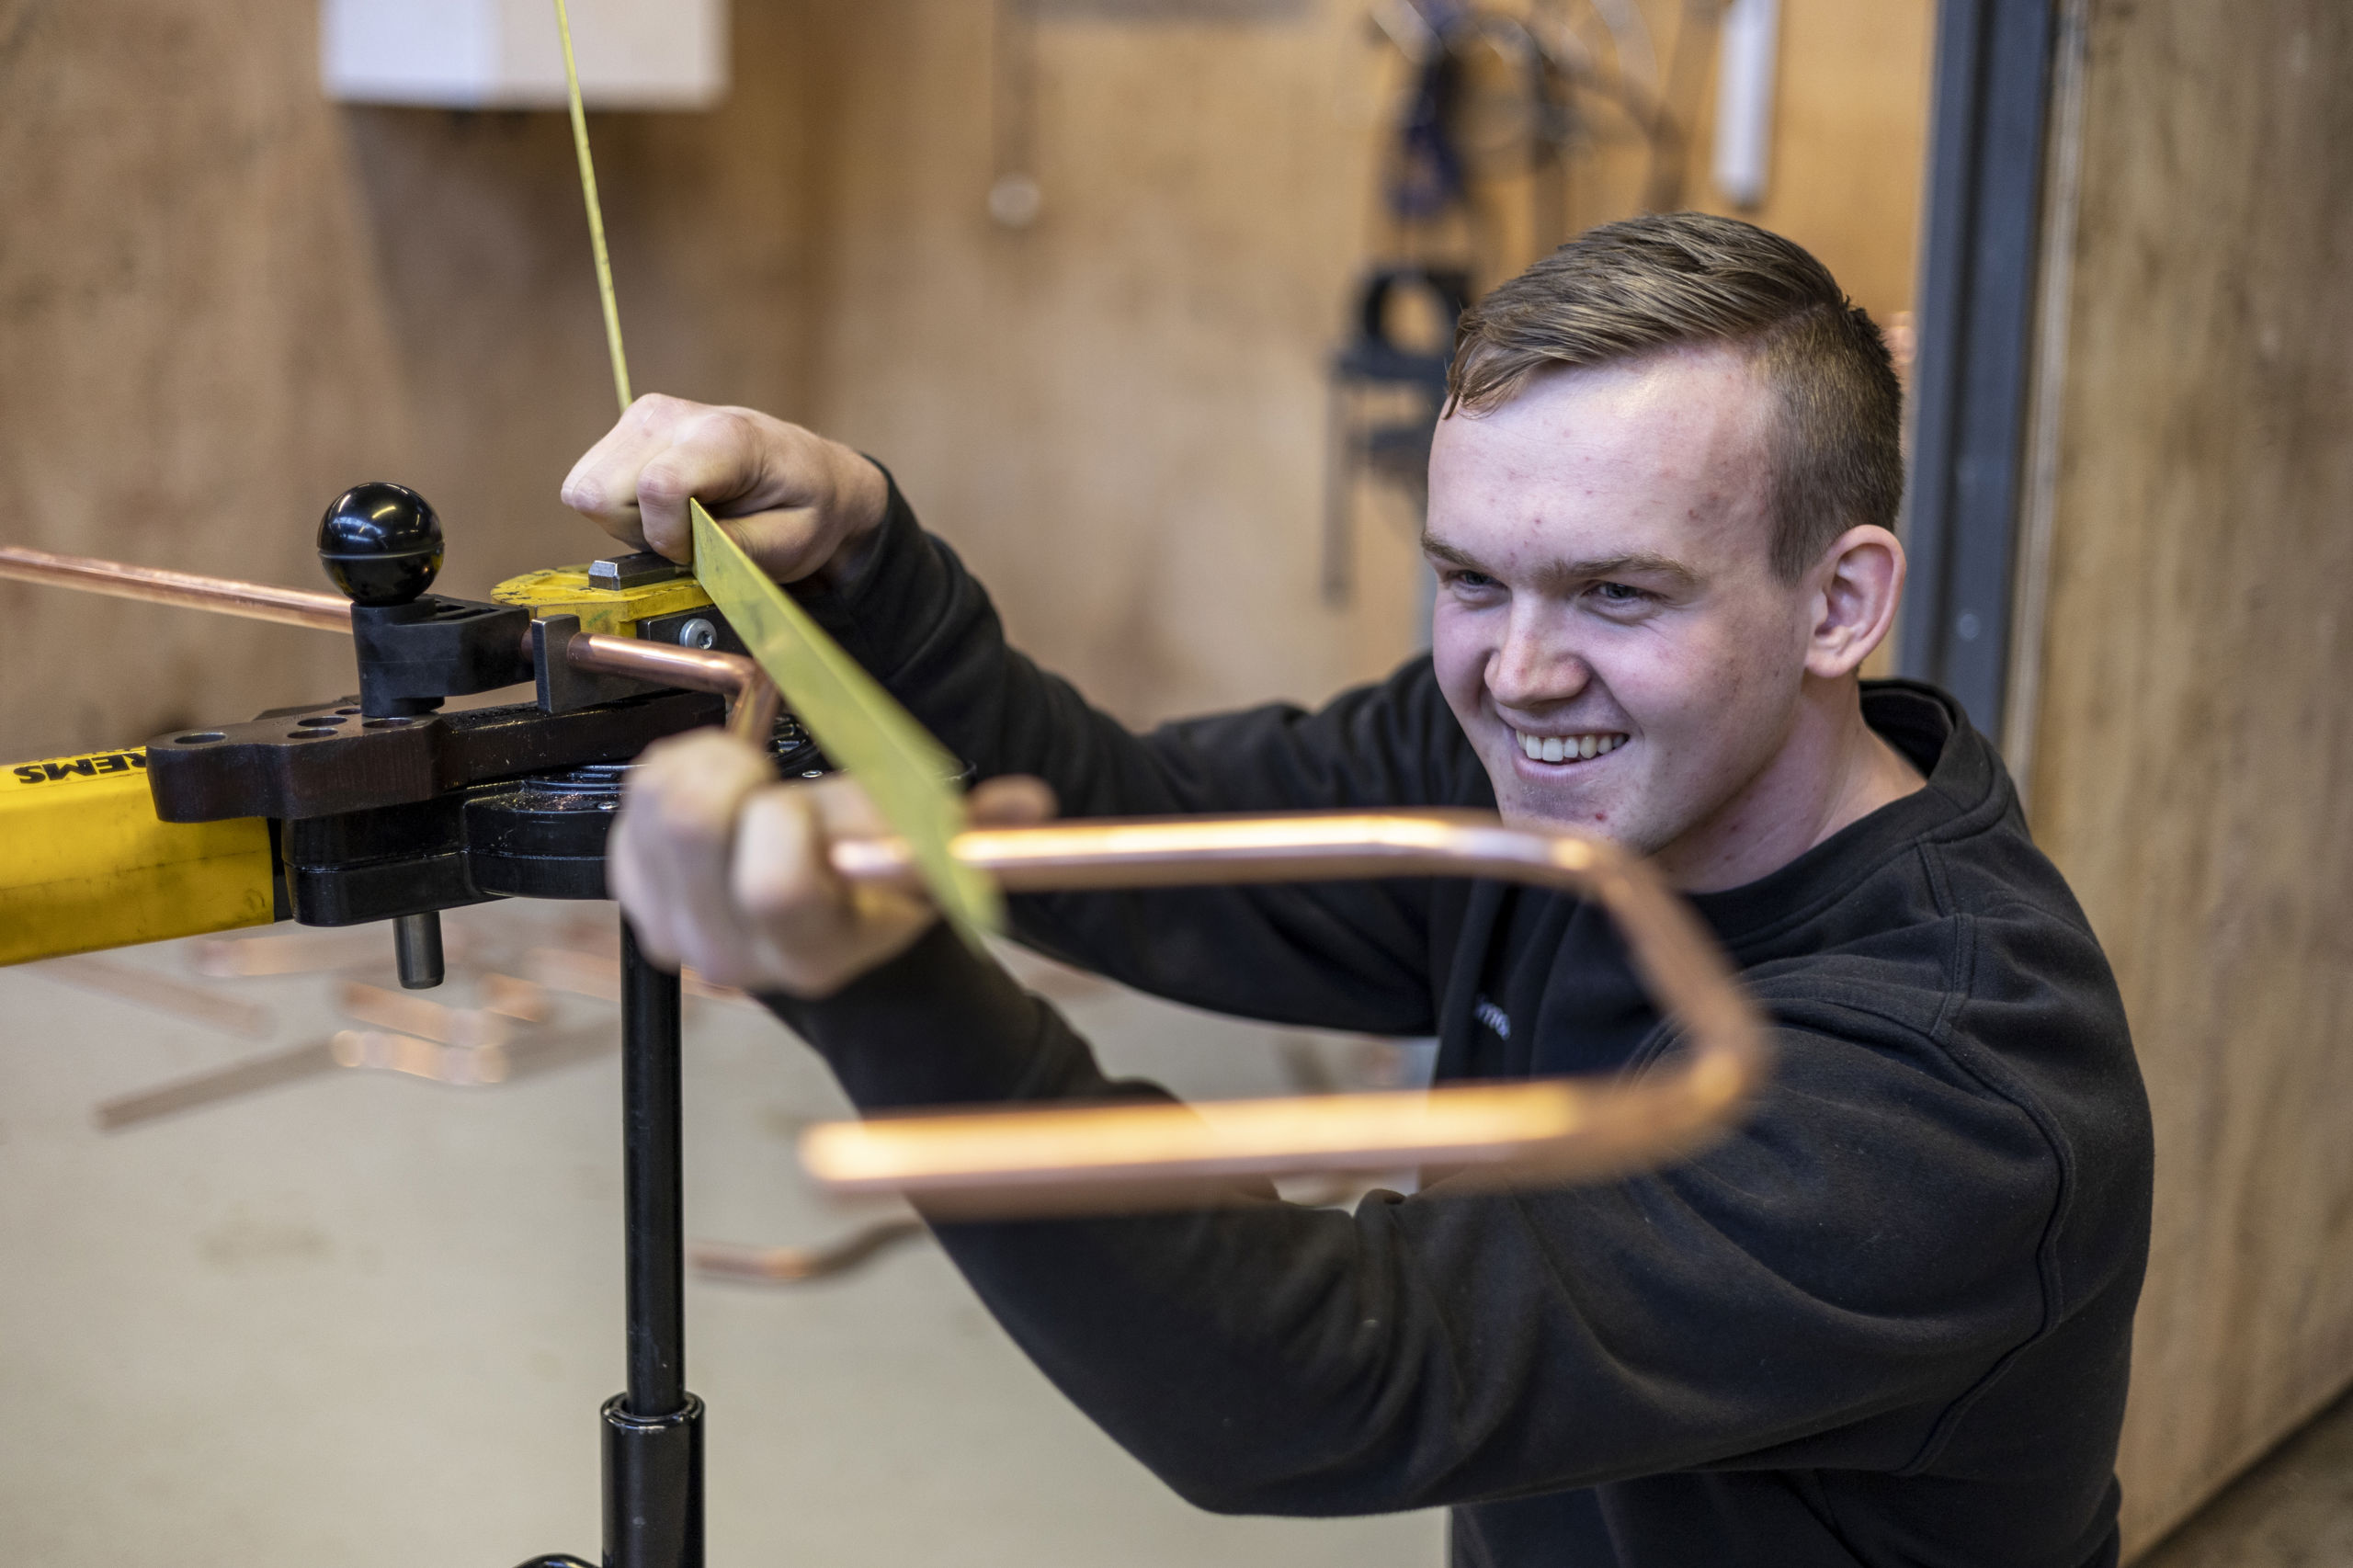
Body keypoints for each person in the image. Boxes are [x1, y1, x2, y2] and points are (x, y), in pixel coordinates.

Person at [561, 213, 2153, 1568]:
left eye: (1618, 590)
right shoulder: (1545, 767)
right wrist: (859, 557)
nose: (1518, 674)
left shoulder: (1956, 1089)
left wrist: (881, 981)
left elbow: (1327, 1378)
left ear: (1841, 603)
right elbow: (1141, 831)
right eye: (1470, 578)